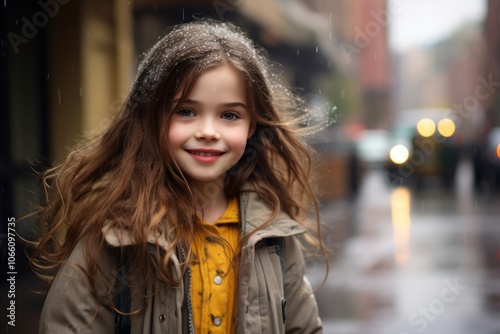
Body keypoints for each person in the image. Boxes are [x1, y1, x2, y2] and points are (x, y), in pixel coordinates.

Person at [31, 19, 327, 333]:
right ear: (153, 116)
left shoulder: (273, 234)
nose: (208, 132)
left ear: (251, 125)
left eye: (229, 115)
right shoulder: (115, 236)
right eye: (186, 111)